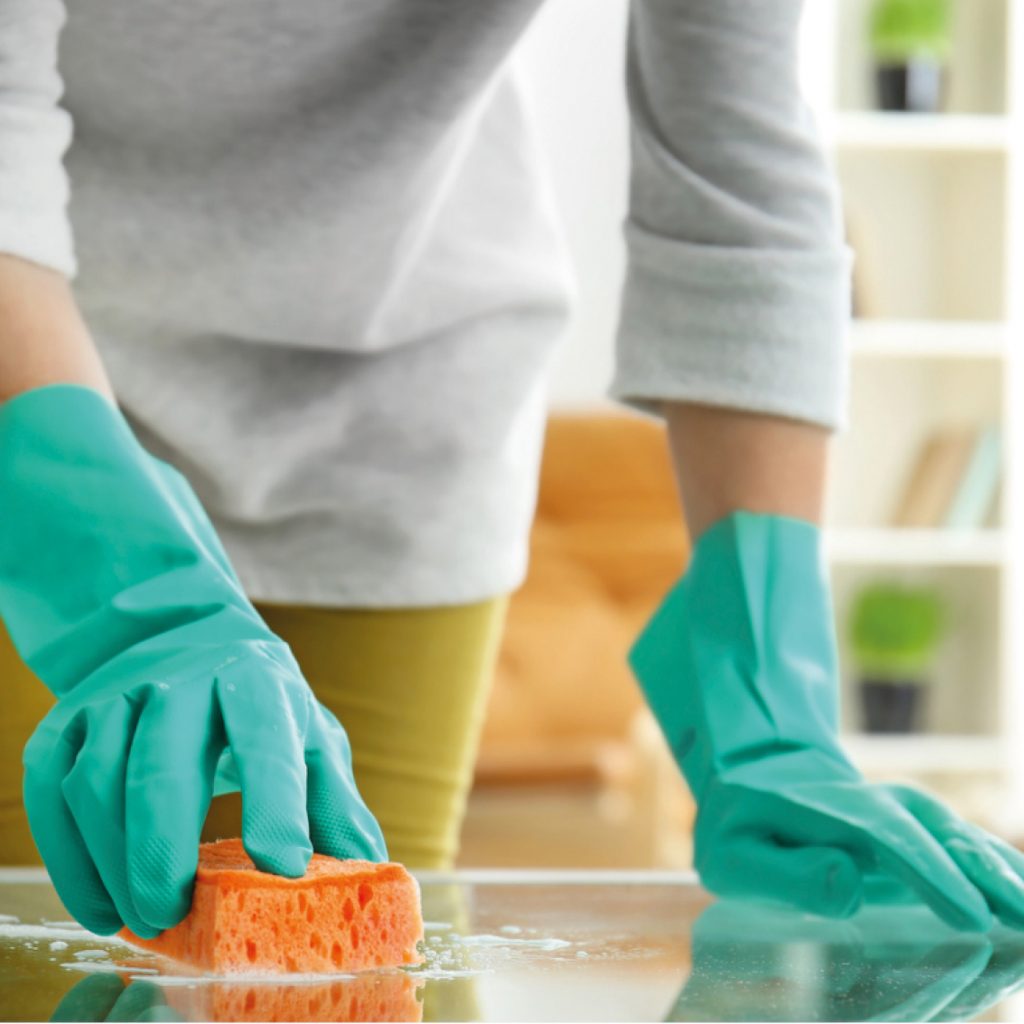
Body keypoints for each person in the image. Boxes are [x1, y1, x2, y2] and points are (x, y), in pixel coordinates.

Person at [1, 0, 1022, 942]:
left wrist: (773, 701)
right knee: (55, 947)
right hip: (45, 377)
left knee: (356, 960)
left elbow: (739, 164)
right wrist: (122, 587)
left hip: (409, 405)